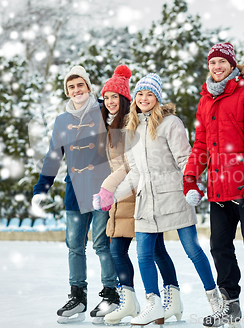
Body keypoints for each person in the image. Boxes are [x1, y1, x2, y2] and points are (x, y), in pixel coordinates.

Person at [111, 73, 221, 326]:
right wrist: (115, 194)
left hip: (174, 196)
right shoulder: (132, 128)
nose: (144, 98)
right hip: (146, 201)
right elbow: (136, 171)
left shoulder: (171, 123)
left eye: (150, 94)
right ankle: (154, 305)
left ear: (157, 98)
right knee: (143, 255)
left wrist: (192, 185)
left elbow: (185, 160)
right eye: (140, 93)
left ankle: (215, 299)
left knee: (192, 250)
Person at [183, 42, 244, 328]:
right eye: (213, 63)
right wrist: (191, 176)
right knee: (219, 247)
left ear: (232, 64)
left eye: (222, 62)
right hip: (218, 189)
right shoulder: (206, 100)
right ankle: (230, 304)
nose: (217, 67)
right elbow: (201, 144)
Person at [92, 65, 187, 325]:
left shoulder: (131, 123)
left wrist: (108, 188)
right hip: (121, 193)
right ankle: (133, 300)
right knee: (121, 250)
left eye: (116, 96)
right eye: (107, 96)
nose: (110, 101)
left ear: (126, 99)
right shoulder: (112, 125)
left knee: (151, 251)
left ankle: (164, 298)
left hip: (136, 192)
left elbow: (128, 166)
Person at [31, 65, 118, 324]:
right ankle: (78, 298)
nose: (76, 90)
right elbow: (53, 157)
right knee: (74, 246)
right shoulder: (62, 120)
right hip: (75, 191)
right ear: (67, 92)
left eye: (80, 85)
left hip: (102, 189)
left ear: (88, 87)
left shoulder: (104, 110)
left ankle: (111, 296)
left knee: (102, 244)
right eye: (71, 87)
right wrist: (41, 188)